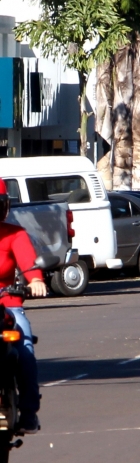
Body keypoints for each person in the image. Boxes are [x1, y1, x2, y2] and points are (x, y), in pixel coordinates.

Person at [0, 179, 48, 433]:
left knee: (25, 347)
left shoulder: (14, 234)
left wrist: (36, 281)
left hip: (7, 306)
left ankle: (28, 411)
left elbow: (30, 266)